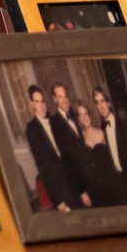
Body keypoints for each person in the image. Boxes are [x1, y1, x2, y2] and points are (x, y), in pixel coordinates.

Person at [22, 83, 77, 211]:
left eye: (42, 101)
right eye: (37, 102)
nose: (41, 106)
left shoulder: (55, 120)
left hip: (73, 182)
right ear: (31, 104)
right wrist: (58, 200)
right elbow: (43, 167)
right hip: (59, 191)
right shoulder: (31, 130)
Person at [51, 83, 95, 207]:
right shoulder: (55, 124)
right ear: (54, 99)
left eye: (65, 96)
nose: (64, 100)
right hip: (81, 185)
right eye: (60, 97)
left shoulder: (76, 115)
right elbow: (67, 161)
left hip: (92, 177)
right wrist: (81, 191)